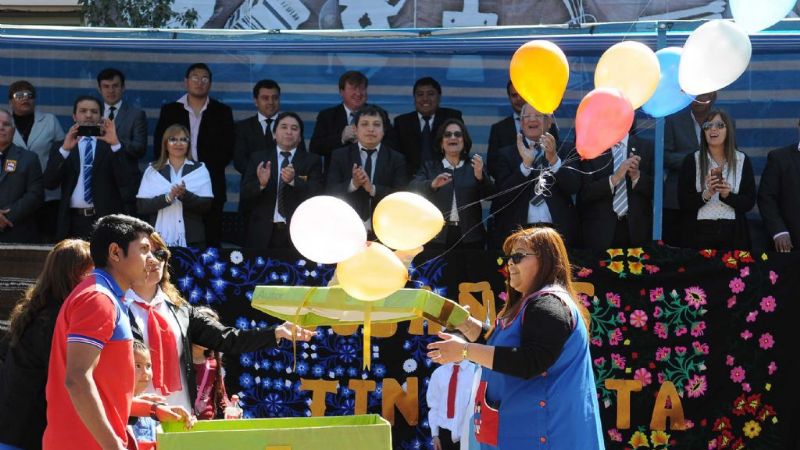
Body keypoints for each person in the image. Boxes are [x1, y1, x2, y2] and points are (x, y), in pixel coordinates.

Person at [427, 227, 604, 450]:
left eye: (518, 256)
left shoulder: (549, 305)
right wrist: (465, 323)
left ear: (545, 260)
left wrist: (465, 351)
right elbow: (500, 345)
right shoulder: (533, 303)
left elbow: (530, 361)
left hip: (546, 437)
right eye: (509, 257)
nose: (510, 263)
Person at [125, 232, 315, 416]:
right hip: (136, 420)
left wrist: (277, 332)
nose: (154, 260)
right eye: (145, 252)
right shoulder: (119, 307)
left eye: (159, 253)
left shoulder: (180, 310)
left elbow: (228, 338)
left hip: (181, 419)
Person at [43, 215, 191, 450]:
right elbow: (77, 380)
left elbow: (100, 390)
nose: (152, 260)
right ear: (115, 252)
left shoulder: (106, 295)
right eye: (144, 250)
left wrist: (150, 409)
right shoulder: (98, 298)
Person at [0, 239, 92, 450]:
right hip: (29, 430)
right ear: (73, 273)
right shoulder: (56, 319)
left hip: (12, 424)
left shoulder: (35, 310)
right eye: (90, 271)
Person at [153, 63, 235, 248]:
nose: (200, 82)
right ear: (186, 82)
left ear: (210, 83)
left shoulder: (222, 111)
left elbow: (228, 149)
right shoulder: (170, 110)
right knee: (175, 235)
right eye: (195, 77)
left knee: (211, 236)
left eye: (204, 78)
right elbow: (160, 146)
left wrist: (200, 173)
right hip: (175, 180)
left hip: (211, 181)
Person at [43, 96, 136, 240]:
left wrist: (115, 145)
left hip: (105, 221)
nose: (88, 115)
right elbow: (49, 183)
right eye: (83, 111)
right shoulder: (62, 146)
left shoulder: (112, 144)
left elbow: (128, 183)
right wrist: (65, 150)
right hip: (72, 221)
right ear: (74, 116)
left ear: (101, 117)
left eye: (94, 111)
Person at [489, 103, 580, 249]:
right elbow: (502, 195)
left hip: (558, 233)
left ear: (549, 122)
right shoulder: (506, 154)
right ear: (521, 123)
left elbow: (573, 187)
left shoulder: (566, 149)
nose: (532, 119)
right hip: (520, 232)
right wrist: (525, 166)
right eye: (527, 116)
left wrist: (554, 160)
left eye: (538, 115)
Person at [240, 112, 322, 249]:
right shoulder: (258, 158)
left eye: (294, 128)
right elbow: (244, 193)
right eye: (284, 127)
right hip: (262, 231)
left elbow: (317, 193)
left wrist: (293, 181)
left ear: (300, 138)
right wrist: (261, 184)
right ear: (274, 134)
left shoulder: (312, 160)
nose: (289, 132)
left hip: (297, 231)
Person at [410, 119, 494, 249]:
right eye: (447, 134)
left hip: (471, 238)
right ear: (441, 143)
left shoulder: (475, 166)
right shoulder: (430, 167)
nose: (452, 137)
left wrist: (480, 177)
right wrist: (432, 184)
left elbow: (490, 196)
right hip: (436, 238)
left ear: (464, 141)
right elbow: (412, 189)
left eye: (458, 134)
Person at [678, 109, 755, 250]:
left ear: (728, 130)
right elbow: (683, 202)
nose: (713, 129)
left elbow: (749, 203)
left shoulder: (742, 159)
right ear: (703, 131)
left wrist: (727, 195)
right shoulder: (692, 160)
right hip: (698, 233)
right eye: (707, 125)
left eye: (720, 125)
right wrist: (706, 193)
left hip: (734, 233)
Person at [326, 105, 408, 233]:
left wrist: (372, 189)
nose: (370, 129)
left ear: (384, 130)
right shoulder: (340, 155)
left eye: (376, 125)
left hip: (385, 228)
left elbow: (401, 196)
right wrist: (353, 184)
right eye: (364, 124)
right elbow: (330, 192)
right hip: (346, 227)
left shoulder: (397, 158)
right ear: (355, 129)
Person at [137, 124, 213, 248]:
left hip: (192, 240)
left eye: (183, 140)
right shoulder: (152, 170)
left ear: (189, 144)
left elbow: (206, 206)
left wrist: (184, 195)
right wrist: (168, 198)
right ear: (165, 144)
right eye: (173, 139)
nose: (178, 144)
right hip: (157, 241)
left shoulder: (200, 169)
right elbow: (142, 206)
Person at [577, 130, 654, 251]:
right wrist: (614, 178)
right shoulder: (590, 149)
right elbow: (584, 193)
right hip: (600, 233)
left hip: (637, 231)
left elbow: (658, 191)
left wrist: (636, 176)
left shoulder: (647, 147)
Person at [8, 81, 65, 243]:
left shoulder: (50, 121)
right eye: (19, 95)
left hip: (48, 194)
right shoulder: (4, 123)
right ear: (10, 102)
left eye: (29, 95)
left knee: (48, 239)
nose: (25, 98)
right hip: (14, 196)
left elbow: (62, 152)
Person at [309, 70, 398, 170]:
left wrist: (371, 141)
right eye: (353, 88)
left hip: (372, 173)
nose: (358, 93)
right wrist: (341, 138)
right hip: (337, 175)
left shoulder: (379, 114)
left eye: (362, 88)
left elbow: (393, 146)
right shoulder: (327, 116)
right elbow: (315, 148)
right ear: (341, 92)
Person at [663, 91, 717, 246]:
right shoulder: (673, 120)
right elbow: (664, 156)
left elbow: (731, 154)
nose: (698, 99)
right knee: (676, 248)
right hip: (677, 199)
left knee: (709, 250)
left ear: (713, 96)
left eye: (703, 95)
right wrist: (695, 160)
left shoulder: (722, 121)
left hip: (713, 197)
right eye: (693, 95)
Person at [96, 68, 148, 215]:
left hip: (125, 184)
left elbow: (140, 148)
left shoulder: (136, 114)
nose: (111, 90)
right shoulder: (92, 113)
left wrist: (116, 141)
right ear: (99, 89)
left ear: (123, 87)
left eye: (115, 86)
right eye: (106, 86)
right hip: (97, 181)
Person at [487, 81, 559, 180]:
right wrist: (518, 174)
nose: (519, 99)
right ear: (509, 97)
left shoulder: (548, 126)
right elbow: (492, 166)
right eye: (514, 95)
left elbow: (556, 152)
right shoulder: (498, 128)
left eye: (521, 94)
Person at [233, 79, 307, 174]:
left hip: (286, 181)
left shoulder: (292, 125)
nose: (271, 102)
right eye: (265, 98)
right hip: (254, 181)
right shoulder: (242, 127)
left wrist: (282, 177)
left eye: (275, 98)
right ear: (256, 101)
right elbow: (239, 162)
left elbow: (301, 157)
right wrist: (263, 176)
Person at [393, 77, 463, 177]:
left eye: (430, 94)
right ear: (414, 98)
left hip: (447, 176)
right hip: (411, 179)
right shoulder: (402, 122)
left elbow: (462, 149)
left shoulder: (451, 117)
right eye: (420, 94)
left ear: (439, 97)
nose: (425, 99)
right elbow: (396, 157)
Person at [426, 330, 478, 450]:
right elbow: (434, 406)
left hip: (469, 433)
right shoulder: (438, 374)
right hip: (445, 434)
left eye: (457, 344)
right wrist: (435, 435)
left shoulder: (476, 371)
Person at [0, 108, 43, 244]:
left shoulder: (29, 158)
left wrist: (6, 218)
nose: (1, 128)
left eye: (6, 124)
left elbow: (35, 195)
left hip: (17, 231)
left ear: (13, 131)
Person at [758, 120, 800, 253]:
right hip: (790, 244)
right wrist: (779, 231)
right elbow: (766, 197)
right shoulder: (779, 158)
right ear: (799, 127)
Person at [190, 307, 231, 420]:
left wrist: (229, 408)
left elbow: (222, 396)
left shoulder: (213, 364)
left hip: (207, 424)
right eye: (202, 331)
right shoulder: (179, 361)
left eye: (212, 333)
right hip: (182, 423)